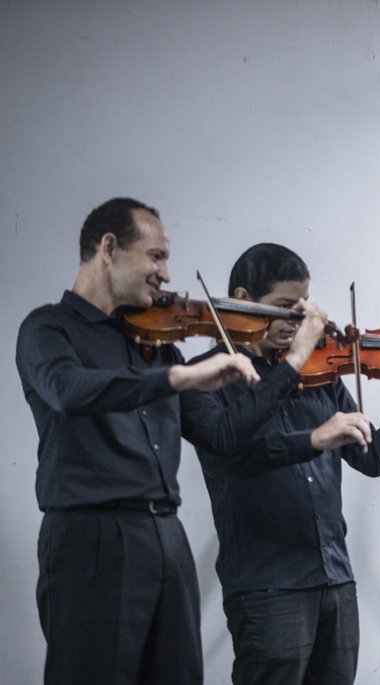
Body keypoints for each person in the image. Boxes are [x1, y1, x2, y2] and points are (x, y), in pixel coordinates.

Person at [179, 242, 380, 685]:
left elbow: (372, 457)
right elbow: (230, 455)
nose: (297, 324)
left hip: (335, 579)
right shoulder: (204, 378)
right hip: (268, 588)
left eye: (302, 309)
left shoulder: (319, 375)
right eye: (283, 307)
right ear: (241, 297)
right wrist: (312, 434)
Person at [15, 197, 261, 685]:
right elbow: (70, 390)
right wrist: (178, 378)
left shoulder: (156, 344)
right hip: (93, 539)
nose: (167, 274)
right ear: (109, 248)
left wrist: (291, 366)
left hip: (166, 538)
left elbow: (222, 436)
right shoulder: (47, 330)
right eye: (155, 256)